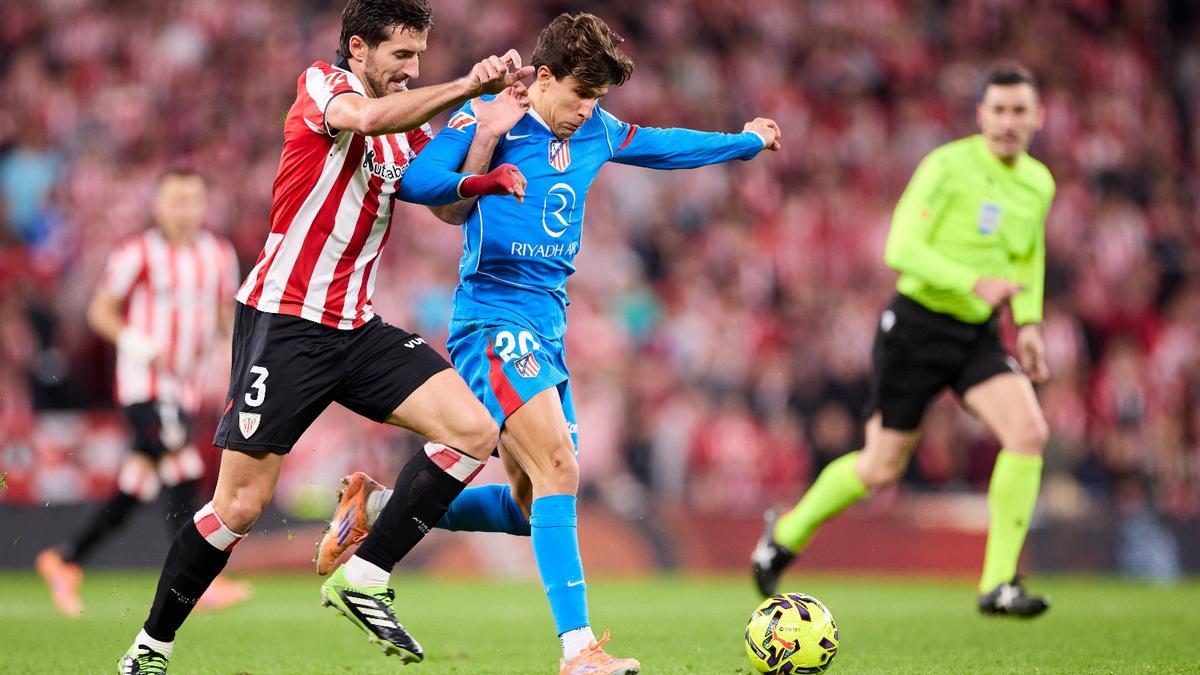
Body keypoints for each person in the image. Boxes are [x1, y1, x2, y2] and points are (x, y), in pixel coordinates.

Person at [316, 12, 782, 674]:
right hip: (492, 319)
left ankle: (378, 506)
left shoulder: (595, 128)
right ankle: (578, 650)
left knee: (527, 503)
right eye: (580, 94)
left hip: (549, 326)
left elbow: (663, 145)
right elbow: (418, 184)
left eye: (597, 99)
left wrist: (742, 142)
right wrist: (484, 141)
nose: (586, 112)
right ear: (543, 78)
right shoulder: (490, 112)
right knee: (560, 466)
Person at [117, 0, 535, 672]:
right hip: (284, 323)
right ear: (359, 48)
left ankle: (365, 572)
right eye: (401, 55)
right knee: (238, 508)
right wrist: (464, 88)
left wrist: (486, 138)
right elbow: (364, 118)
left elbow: (451, 206)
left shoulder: (405, 133)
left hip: (356, 327)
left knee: (474, 429)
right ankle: (149, 647)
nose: (413, 68)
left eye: (420, 55)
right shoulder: (324, 83)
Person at [751, 64, 1056, 618]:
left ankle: (998, 584)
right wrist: (972, 281)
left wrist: (1029, 323)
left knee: (1029, 431)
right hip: (916, 328)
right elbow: (900, 248)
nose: (1009, 122)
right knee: (879, 468)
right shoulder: (947, 166)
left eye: (1019, 111)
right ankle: (785, 535)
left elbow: (1027, 253)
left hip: (976, 335)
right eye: (999, 110)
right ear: (981, 115)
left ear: (1038, 117)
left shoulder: (1038, 182)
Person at [36, 169, 249, 618]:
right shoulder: (138, 253)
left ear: (203, 204)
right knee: (184, 468)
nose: (183, 209)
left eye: (192, 199)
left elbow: (223, 315)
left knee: (137, 484)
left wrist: (235, 361)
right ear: (157, 205)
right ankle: (197, 577)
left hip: (184, 385)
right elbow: (100, 311)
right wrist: (137, 342)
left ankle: (66, 559)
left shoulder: (218, 254)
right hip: (144, 385)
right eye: (174, 200)